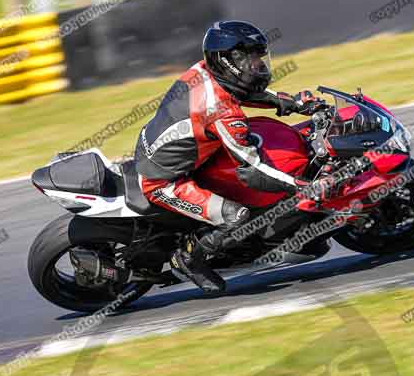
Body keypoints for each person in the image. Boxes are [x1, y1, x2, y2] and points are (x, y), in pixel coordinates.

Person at [133, 20, 326, 292]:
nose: (258, 65)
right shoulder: (221, 112)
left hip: (166, 150)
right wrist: (301, 186)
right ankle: (189, 258)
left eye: (260, 58)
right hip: (164, 182)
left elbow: (242, 92)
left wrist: (290, 102)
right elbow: (253, 168)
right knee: (237, 217)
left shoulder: (203, 71)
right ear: (230, 62)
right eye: (251, 59)